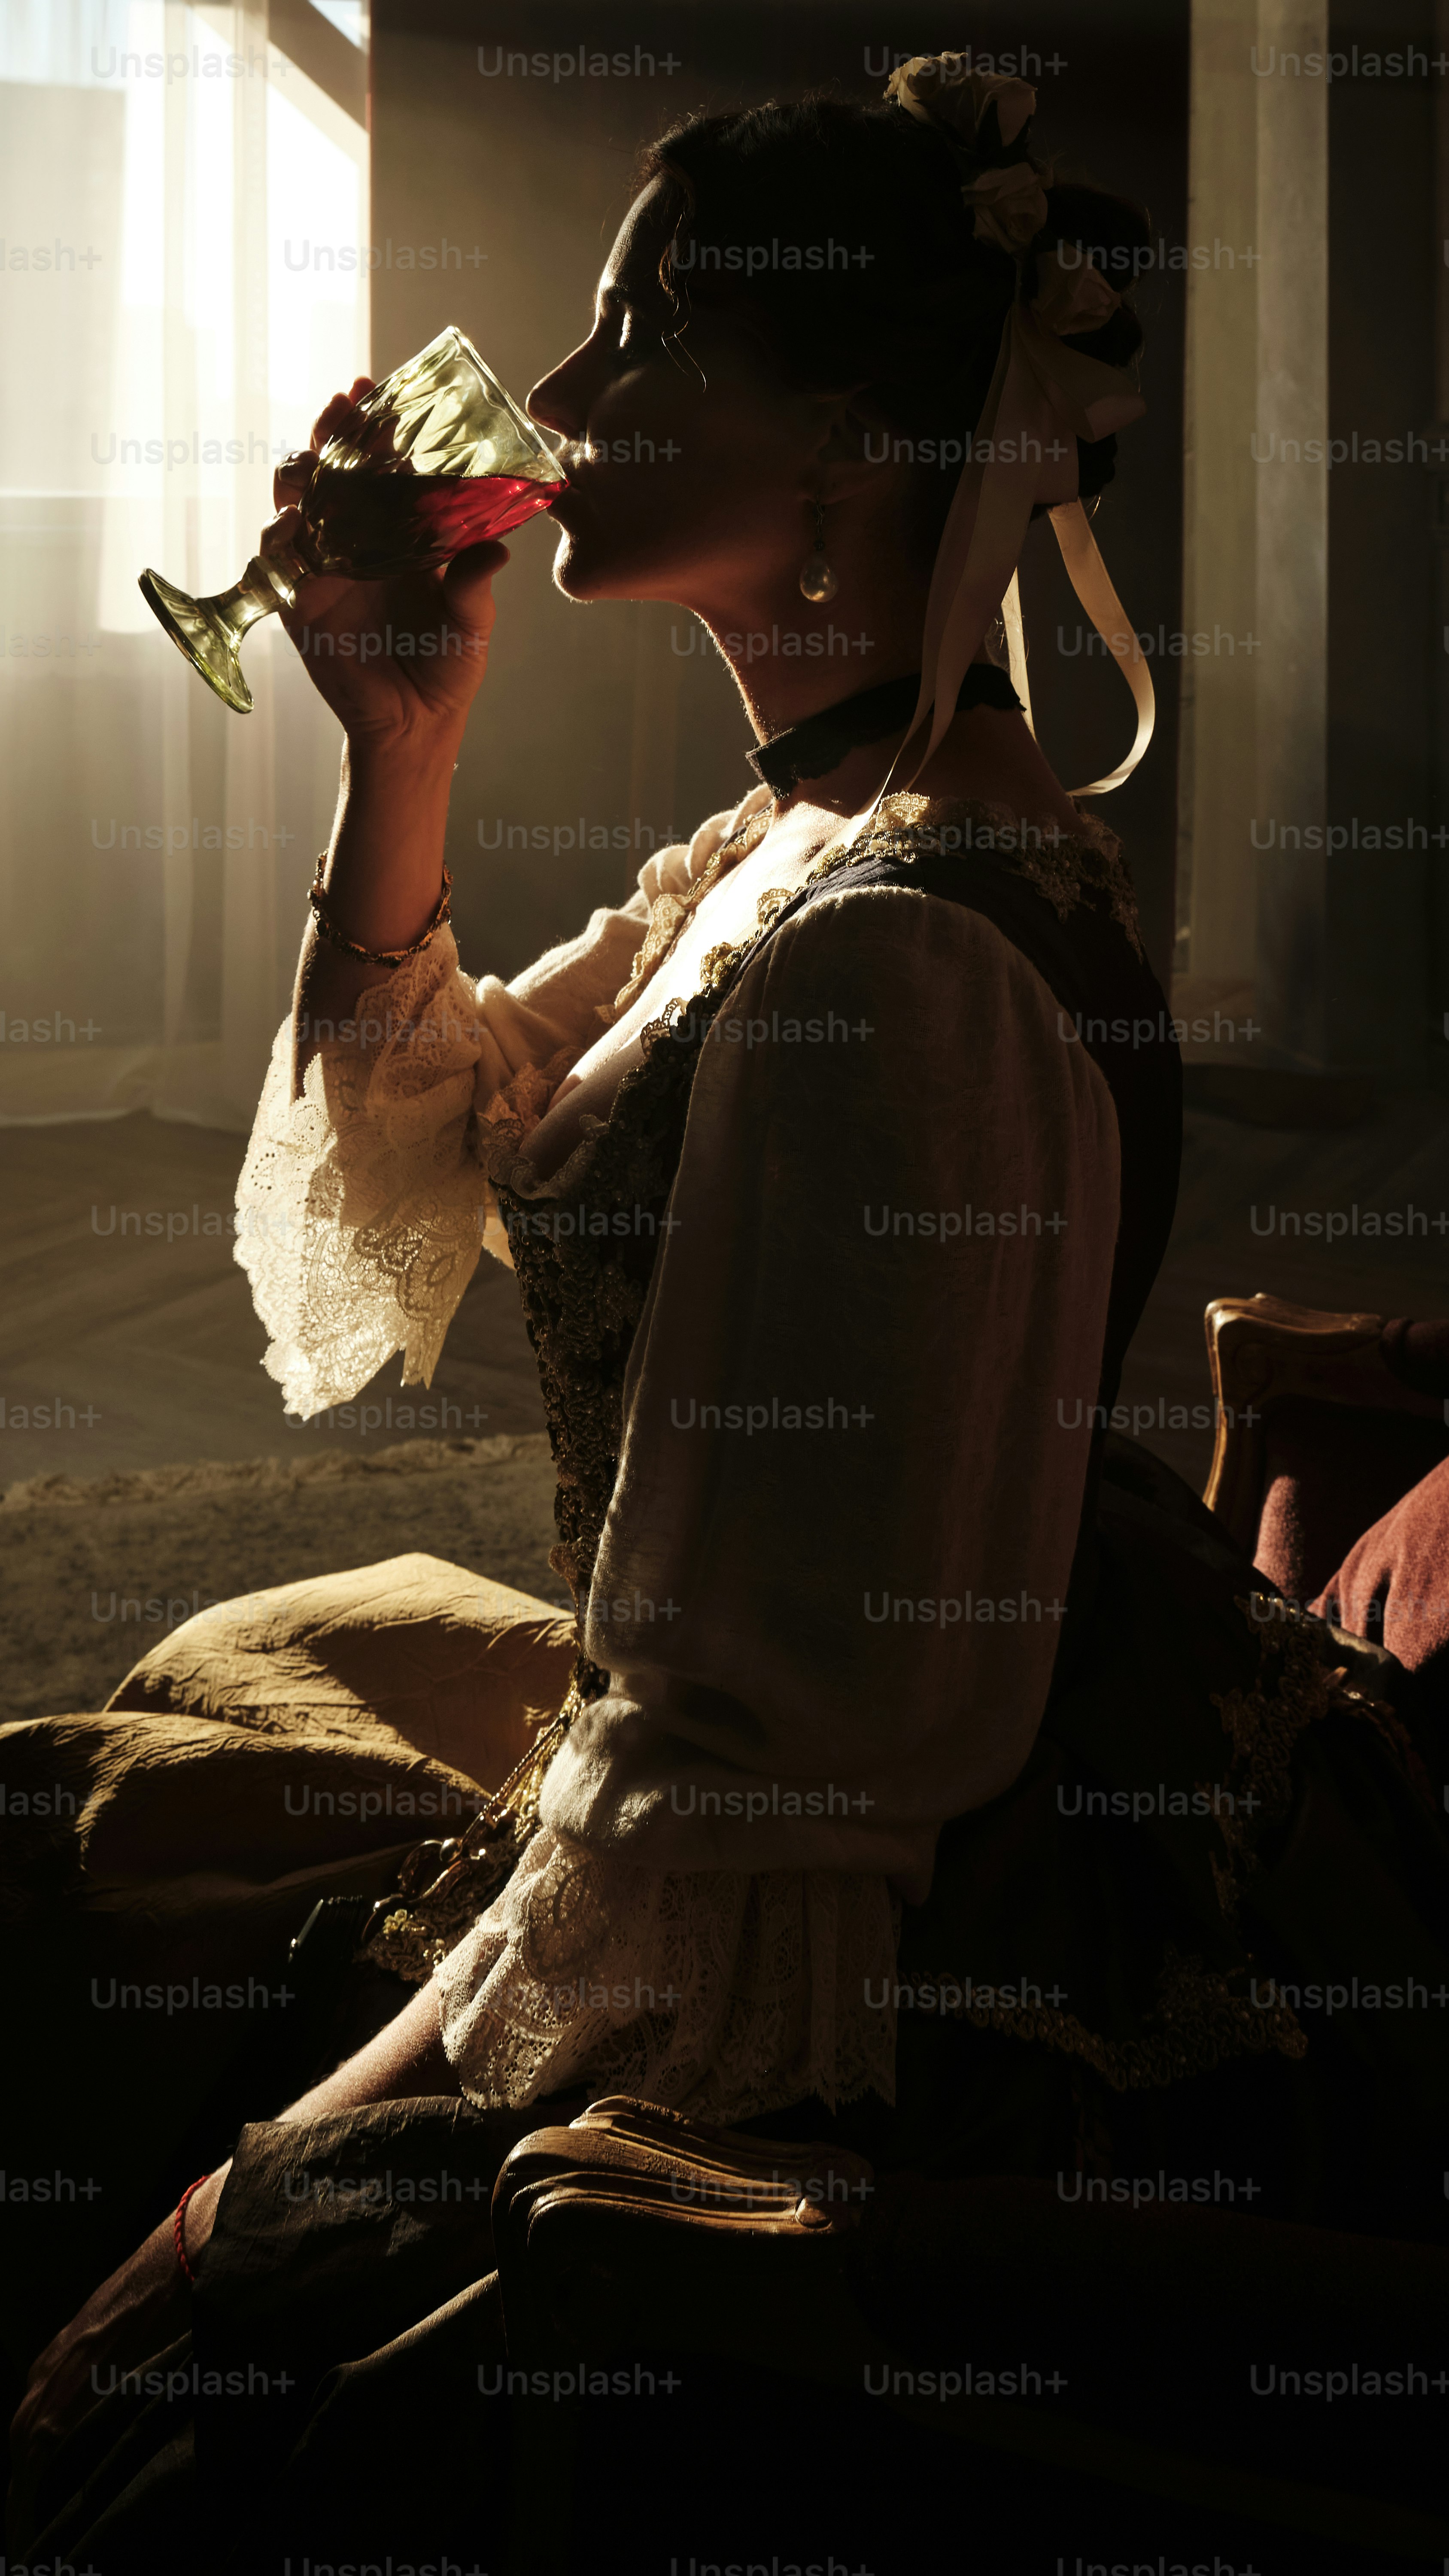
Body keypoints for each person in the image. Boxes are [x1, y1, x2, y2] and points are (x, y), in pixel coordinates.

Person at [10, 61, 1449, 2569]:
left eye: (651, 341)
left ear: (868, 432)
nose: (562, 410)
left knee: (184, 2192)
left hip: (884, 1916)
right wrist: (404, 742)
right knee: (155, 1742)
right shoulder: (804, 838)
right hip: (761, 1701)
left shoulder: (888, 957)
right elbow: (434, 1141)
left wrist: (294, 2163)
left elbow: (766, 1792)